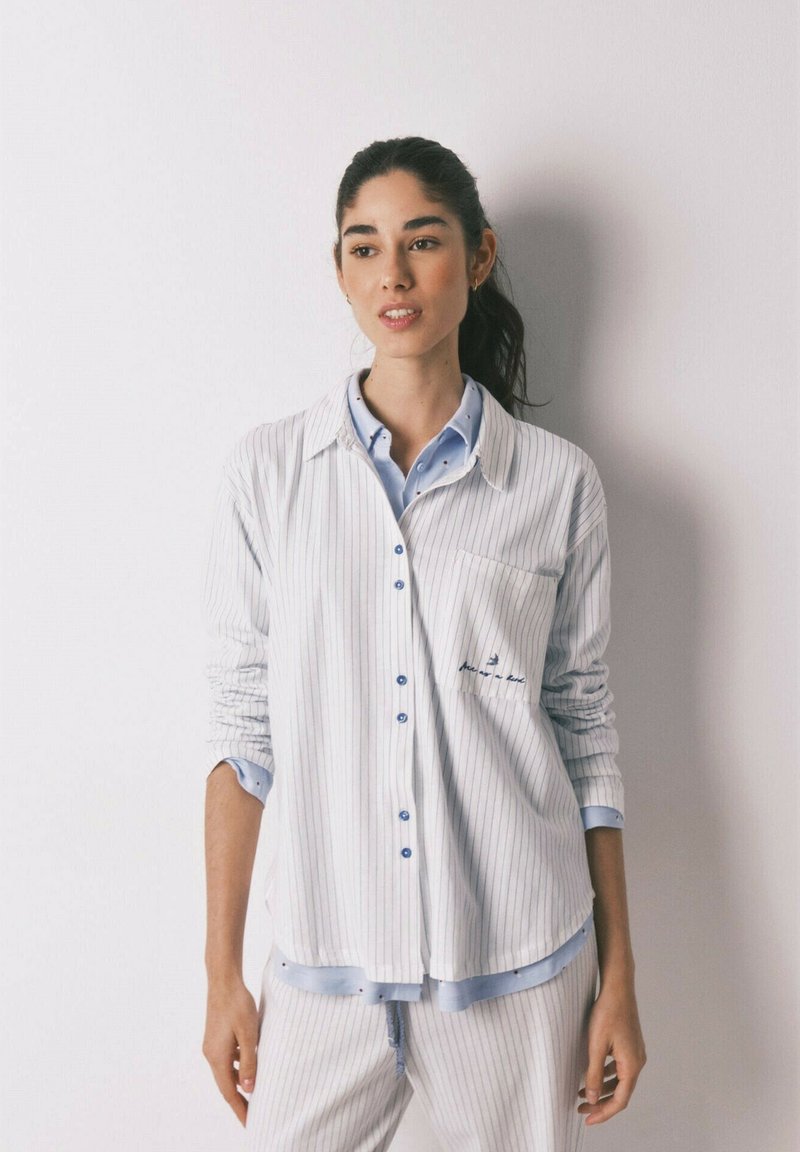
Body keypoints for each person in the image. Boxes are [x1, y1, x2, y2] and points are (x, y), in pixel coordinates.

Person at [202, 136, 646, 1152]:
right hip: (325, 962)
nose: (392, 275)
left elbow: (583, 730)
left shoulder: (555, 484)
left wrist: (619, 973)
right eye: (364, 247)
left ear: (478, 256)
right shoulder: (269, 476)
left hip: (518, 964)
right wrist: (223, 974)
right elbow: (241, 736)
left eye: (423, 241)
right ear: (339, 270)